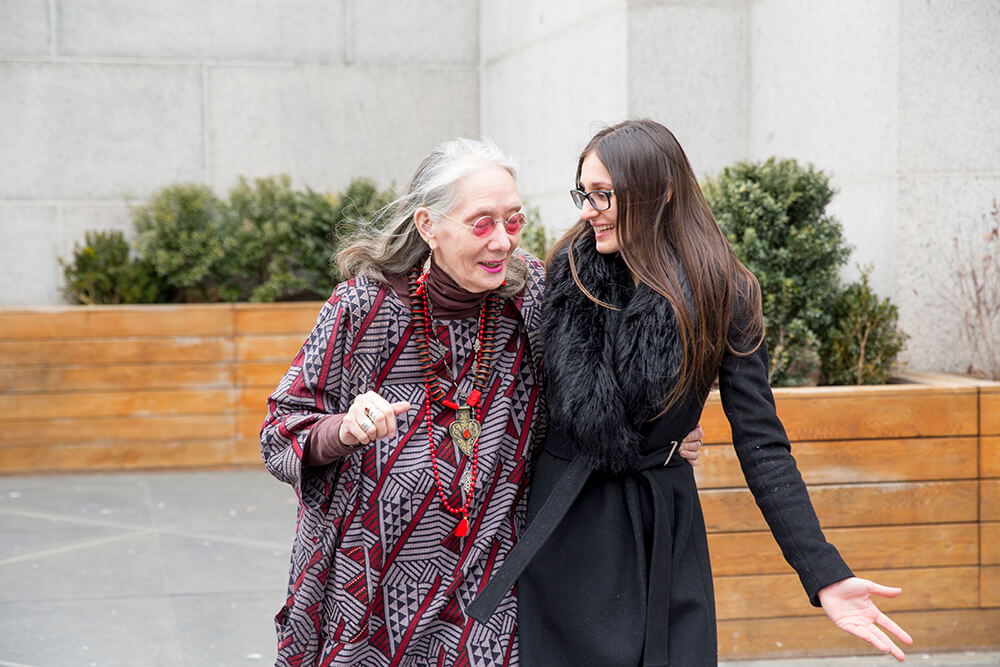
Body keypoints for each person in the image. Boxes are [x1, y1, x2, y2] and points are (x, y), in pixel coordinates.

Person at [468, 119, 914, 665]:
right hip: (568, 524)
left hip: (665, 522)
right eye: (583, 192)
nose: (587, 210)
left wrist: (824, 573)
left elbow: (763, 445)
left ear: (661, 190)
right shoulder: (569, 274)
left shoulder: (723, 289)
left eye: (604, 195)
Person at [260, 136, 706, 666]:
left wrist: (660, 436)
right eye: (481, 223)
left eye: (513, 221)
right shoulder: (365, 309)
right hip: (372, 591)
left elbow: (596, 385)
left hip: (491, 590)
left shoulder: (533, 297)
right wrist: (345, 429)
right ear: (429, 226)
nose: (503, 242)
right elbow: (280, 430)